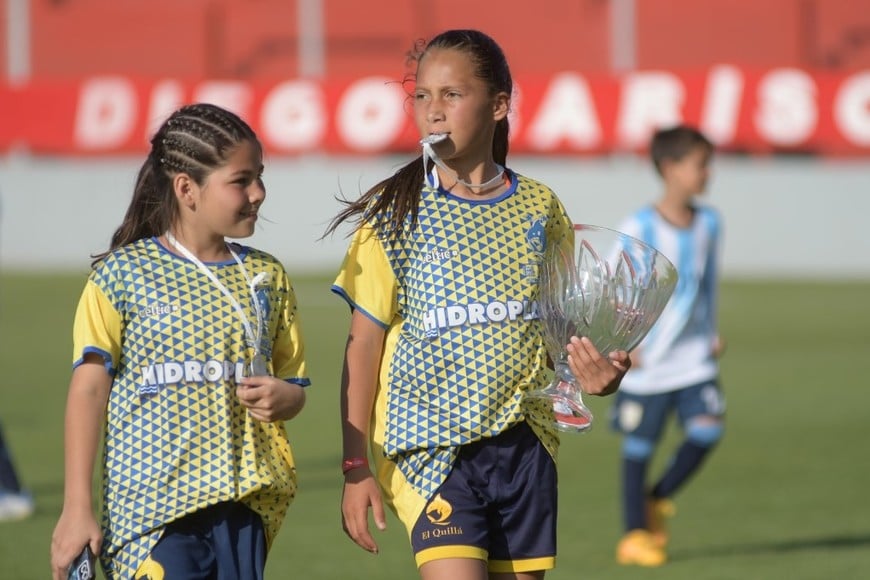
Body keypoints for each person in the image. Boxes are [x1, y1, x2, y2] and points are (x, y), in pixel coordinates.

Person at [326, 29, 630, 580]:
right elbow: (362, 344)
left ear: (499, 105)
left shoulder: (541, 207)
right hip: (430, 447)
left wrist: (596, 372)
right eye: (422, 96)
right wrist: (354, 465)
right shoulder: (396, 216)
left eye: (451, 95)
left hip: (524, 445)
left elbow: (563, 329)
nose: (432, 112)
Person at [49, 103, 309, 579]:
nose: (258, 193)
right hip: (152, 515)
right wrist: (75, 508)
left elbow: (294, 384)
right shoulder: (121, 276)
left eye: (261, 176)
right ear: (187, 188)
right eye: (241, 180)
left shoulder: (266, 277)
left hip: (243, 509)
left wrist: (287, 397)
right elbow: (88, 390)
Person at [609, 125, 726, 567]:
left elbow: (707, 282)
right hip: (649, 360)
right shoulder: (639, 226)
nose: (707, 173)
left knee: (708, 429)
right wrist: (624, 345)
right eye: (700, 164)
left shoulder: (711, 222)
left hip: (693, 356)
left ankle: (655, 500)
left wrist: (711, 330)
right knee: (639, 446)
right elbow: (617, 290)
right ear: (670, 168)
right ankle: (634, 535)